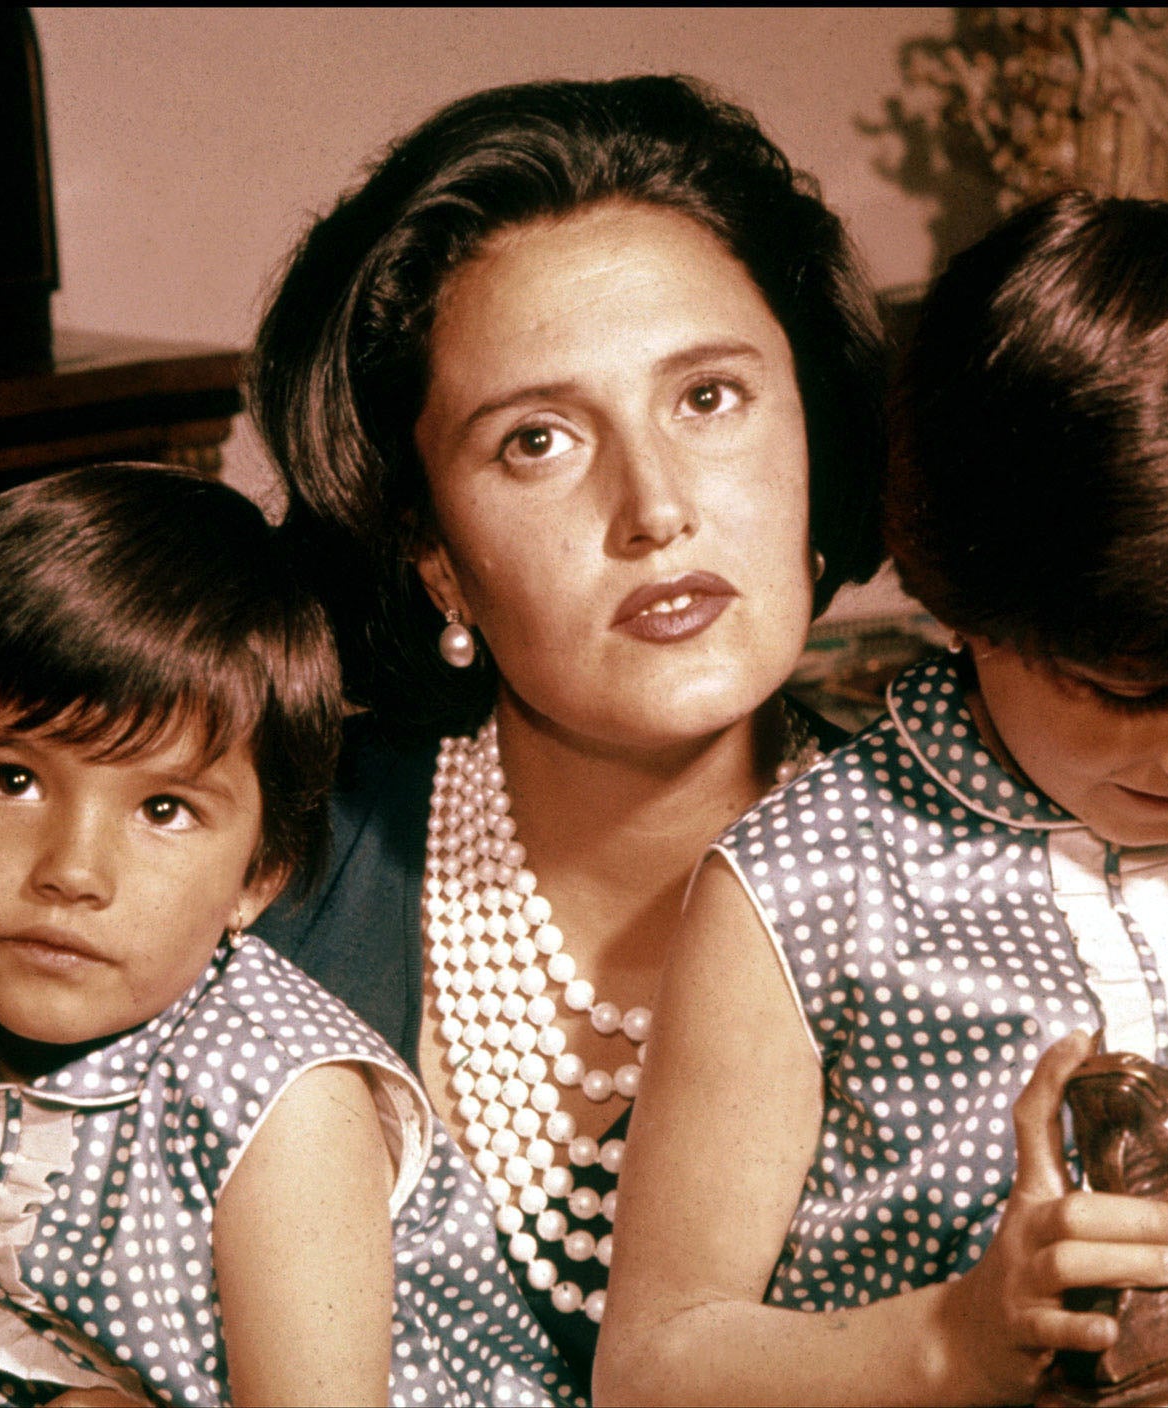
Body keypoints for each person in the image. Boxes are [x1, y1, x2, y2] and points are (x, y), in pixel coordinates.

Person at [599, 193, 1168, 1406]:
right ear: (965, 604)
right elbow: (651, 1370)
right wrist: (958, 1340)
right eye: (1134, 690)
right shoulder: (802, 885)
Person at [247, 74, 887, 1380]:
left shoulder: (980, 872)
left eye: (708, 399)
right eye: (536, 440)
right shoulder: (264, 891)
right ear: (433, 555)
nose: (653, 508)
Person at [0, 465, 582, 1407]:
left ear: (257, 878)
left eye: (162, 806)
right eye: (12, 780)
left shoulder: (280, 1101)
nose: (72, 871)